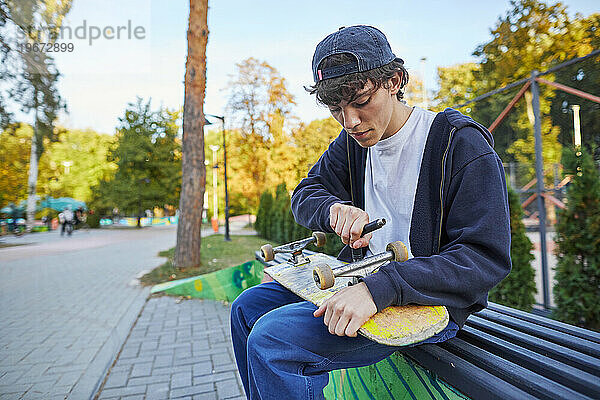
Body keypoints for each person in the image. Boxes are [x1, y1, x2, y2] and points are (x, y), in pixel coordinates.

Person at [230, 25, 511, 399]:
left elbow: (484, 258)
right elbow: (304, 195)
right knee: (247, 307)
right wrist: (334, 210)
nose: (350, 121)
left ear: (393, 80)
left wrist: (382, 288)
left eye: (360, 101)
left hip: (426, 304)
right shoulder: (352, 145)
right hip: (365, 286)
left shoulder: (457, 142)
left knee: (272, 341)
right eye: (335, 109)